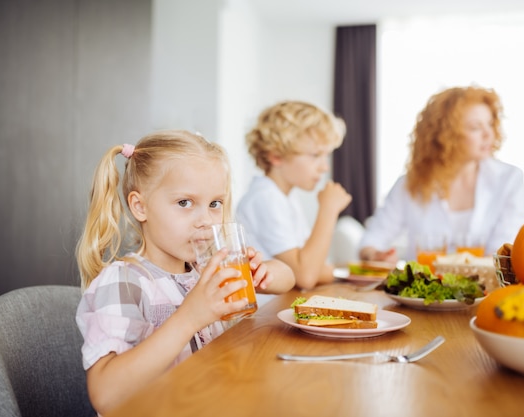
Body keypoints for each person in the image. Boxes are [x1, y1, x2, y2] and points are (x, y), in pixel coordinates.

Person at [75, 130, 295, 415]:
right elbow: (106, 395)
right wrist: (190, 316)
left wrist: (263, 273)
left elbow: (288, 277)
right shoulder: (124, 282)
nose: (205, 220)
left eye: (215, 204)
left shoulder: (205, 270)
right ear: (140, 206)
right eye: (184, 203)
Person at [358, 86, 524, 263]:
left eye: (490, 124)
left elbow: (504, 252)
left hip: (485, 290)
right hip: (421, 290)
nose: (489, 134)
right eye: (475, 127)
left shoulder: (509, 180)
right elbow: (372, 240)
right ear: (446, 135)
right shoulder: (410, 183)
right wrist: (375, 255)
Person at [236, 100, 352, 290]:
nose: (324, 167)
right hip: (265, 312)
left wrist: (357, 274)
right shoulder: (265, 198)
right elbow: (305, 276)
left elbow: (313, 265)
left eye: (326, 156)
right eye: (315, 155)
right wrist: (328, 210)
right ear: (276, 156)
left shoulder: (285, 196)